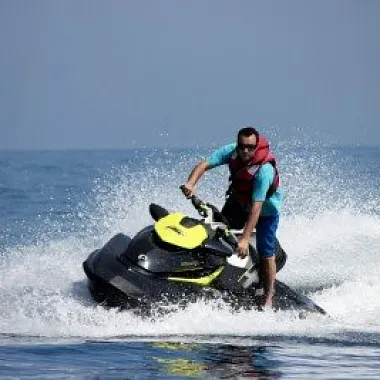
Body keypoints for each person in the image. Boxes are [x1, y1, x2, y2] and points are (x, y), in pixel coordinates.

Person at [181, 127, 283, 309]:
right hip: (239, 201)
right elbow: (204, 164)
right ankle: (208, 272)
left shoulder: (264, 171)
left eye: (250, 147)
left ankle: (268, 297)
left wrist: (244, 239)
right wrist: (190, 183)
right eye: (242, 146)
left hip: (265, 211)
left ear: (256, 146)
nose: (245, 151)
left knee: (266, 252)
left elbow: (256, 208)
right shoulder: (232, 151)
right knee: (218, 232)